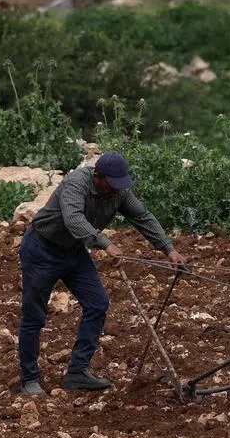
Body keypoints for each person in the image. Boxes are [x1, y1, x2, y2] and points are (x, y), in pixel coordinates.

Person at [18, 152, 187, 396]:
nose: (117, 189)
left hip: (74, 251)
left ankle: (77, 372)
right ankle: (29, 378)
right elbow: (74, 219)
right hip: (42, 249)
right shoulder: (76, 183)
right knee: (34, 314)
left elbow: (142, 217)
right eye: (112, 183)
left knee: (97, 303)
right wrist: (106, 244)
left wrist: (169, 249)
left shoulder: (119, 192)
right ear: (98, 177)